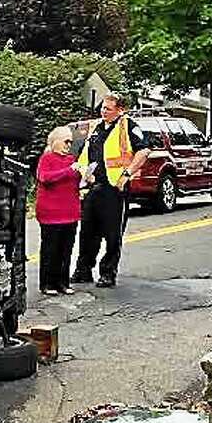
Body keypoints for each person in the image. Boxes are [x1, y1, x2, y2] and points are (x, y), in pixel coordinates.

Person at [71, 94, 151, 288]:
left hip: (115, 188)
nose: (103, 111)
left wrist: (127, 174)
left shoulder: (128, 126)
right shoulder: (96, 128)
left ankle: (108, 272)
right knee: (88, 231)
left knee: (113, 234)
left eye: (108, 108)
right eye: (102, 108)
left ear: (120, 110)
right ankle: (84, 270)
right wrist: (82, 173)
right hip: (93, 186)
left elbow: (144, 151)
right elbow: (84, 155)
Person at [35, 126, 82, 296]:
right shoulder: (47, 158)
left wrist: (87, 176)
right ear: (55, 142)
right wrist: (69, 171)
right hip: (51, 214)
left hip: (70, 212)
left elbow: (77, 182)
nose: (69, 145)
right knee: (50, 250)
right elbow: (45, 177)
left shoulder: (71, 159)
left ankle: (63, 282)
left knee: (66, 250)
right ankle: (47, 283)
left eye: (71, 141)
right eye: (66, 141)